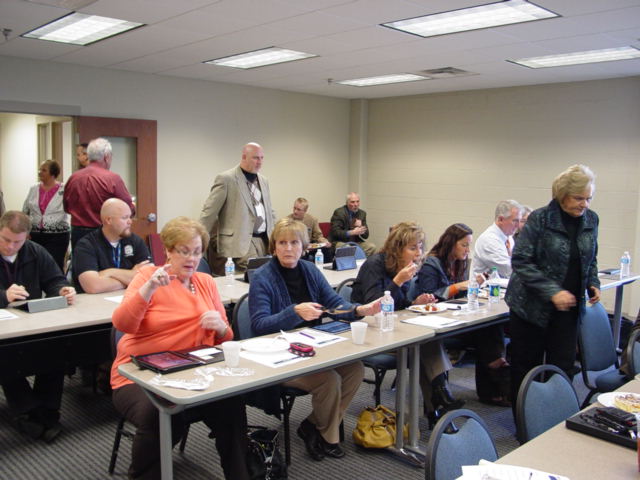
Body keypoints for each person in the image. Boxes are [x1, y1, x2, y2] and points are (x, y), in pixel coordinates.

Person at [110, 217, 249, 479]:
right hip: (137, 374)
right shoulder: (148, 277)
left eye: (197, 252)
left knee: (231, 405)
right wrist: (149, 289)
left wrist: (220, 327)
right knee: (159, 413)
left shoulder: (206, 282)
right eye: (184, 251)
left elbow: (226, 337)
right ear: (169, 251)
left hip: (193, 371)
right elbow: (122, 323)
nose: (191, 258)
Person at [249, 218, 380, 461]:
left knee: (354, 370)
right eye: (282, 243)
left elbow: (335, 304)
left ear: (305, 246)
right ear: (274, 246)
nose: (288, 248)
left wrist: (361, 310)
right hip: (279, 355)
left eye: (294, 242)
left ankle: (312, 424)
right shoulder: (262, 277)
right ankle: (327, 436)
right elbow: (258, 326)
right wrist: (294, 312)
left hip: (312, 347)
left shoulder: (309, 270)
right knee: (328, 380)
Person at [506, 165, 600, 414]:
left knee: (562, 368)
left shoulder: (591, 220)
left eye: (589, 198)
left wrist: (593, 282)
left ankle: (556, 420)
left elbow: (590, 258)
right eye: (579, 198)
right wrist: (552, 291)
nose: (585, 205)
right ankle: (525, 424)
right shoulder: (540, 219)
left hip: (567, 310)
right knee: (527, 369)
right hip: (530, 308)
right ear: (562, 195)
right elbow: (521, 261)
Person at [351, 221, 463, 425]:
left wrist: (414, 302)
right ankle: (439, 402)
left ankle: (438, 405)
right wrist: (398, 282)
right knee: (424, 346)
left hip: (392, 327)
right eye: (412, 247)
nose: (418, 252)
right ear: (397, 248)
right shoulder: (374, 264)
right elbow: (373, 305)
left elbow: (398, 305)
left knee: (427, 341)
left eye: (420, 247)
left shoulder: (403, 267)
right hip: (366, 331)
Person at [0, 211, 75, 442]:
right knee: (5, 356)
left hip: (29, 322)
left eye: (17, 242)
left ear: (27, 238)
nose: (11, 246)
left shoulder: (35, 252)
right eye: (5, 240)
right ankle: (31, 412)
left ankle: (46, 410)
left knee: (54, 348)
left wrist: (62, 290)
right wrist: (3, 295)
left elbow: (54, 279)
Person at [417, 223, 509, 406]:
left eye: (469, 245)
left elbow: (460, 296)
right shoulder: (432, 264)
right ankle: (496, 376)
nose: (468, 250)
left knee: (491, 325)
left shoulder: (459, 263)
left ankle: (497, 376)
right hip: (436, 321)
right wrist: (457, 287)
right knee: (486, 333)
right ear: (451, 244)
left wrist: (474, 285)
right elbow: (427, 297)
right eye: (464, 245)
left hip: (457, 317)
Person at [199, 142, 276, 275]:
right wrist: (197, 239)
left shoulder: (264, 181)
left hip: (264, 239)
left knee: (267, 275)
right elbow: (209, 212)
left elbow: (269, 211)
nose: (260, 162)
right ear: (244, 157)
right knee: (254, 275)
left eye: (262, 158)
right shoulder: (226, 179)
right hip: (240, 241)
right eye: (256, 158)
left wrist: (276, 235)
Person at [63, 137, 135, 250]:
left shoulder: (73, 178)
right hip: (104, 233)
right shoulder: (113, 179)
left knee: (82, 265)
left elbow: (67, 208)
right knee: (106, 266)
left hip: (78, 232)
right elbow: (128, 209)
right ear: (106, 157)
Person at [72, 198, 151, 294]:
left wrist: (110, 272)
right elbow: (93, 286)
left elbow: (149, 276)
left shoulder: (136, 241)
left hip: (128, 298)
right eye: (124, 218)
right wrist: (132, 277)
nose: (130, 221)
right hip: (94, 303)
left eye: (130, 217)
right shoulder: (86, 245)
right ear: (109, 220)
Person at [22, 160, 70, 271]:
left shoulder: (64, 189)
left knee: (53, 265)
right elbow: (25, 210)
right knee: (34, 266)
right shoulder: (33, 188)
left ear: (53, 173)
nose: (39, 172)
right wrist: (25, 231)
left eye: (43, 170)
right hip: (35, 235)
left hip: (58, 236)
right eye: (40, 169)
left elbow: (71, 208)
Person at [471, 199, 523, 279]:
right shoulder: (489, 240)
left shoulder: (508, 238)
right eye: (515, 221)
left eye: (520, 221)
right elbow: (508, 270)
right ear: (500, 219)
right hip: (482, 289)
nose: (518, 225)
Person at [329, 192, 376, 257]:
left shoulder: (362, 213)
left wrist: (361, 226)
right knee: (348, 248)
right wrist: (352, 232)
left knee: (371, 247)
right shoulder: (339, 212)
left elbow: (366, 236)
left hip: (355, 242)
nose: (356, 204)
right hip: (340, 241)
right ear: (347, 203)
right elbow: (335, 232)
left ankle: (361, 265)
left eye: (357, 201)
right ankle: (351, 264)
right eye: (352, 202)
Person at [288, 197, 332, 262]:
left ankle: (326, 269)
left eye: (298, 209)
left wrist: (325, 242)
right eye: (294, 208)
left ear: (305, 211)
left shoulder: (312, 220)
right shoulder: (287, 220)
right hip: (296, 246)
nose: (295, 211)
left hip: (310, 246)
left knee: (326, 250)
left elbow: (318, 236)